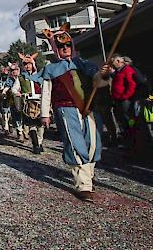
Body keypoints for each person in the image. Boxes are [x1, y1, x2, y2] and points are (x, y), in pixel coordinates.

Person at [39, 23, 109, 202]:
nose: (65, 49)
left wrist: (104, 75)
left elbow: (99, 83)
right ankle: (83, 184)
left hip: (88, 108)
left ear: (72, 46)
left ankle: (88, 175)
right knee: (75, 143)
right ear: (56, 49)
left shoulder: (84, 64)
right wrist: (45, 114)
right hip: (65, 109)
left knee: (93, 144)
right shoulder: (51, 68)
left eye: (67, 45)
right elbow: (46, 92)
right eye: (61, 46)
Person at [17, 52, 45, 154]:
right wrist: (19, 93)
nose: (27, 66)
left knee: (41, 125)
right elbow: (15, 89)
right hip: (28, 102)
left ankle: (40, 142)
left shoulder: (40, 75)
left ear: (33, 63)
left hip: (40, 101)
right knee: (31, 124)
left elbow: (45, 87)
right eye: (25, 64)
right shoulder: (21, 77)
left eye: (29, 63)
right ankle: (35, 144)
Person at [109, 54, 138, 143]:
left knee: (129, 118)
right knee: (122, 119)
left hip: (125, 100)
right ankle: (127, 137)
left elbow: (132, 84)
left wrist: (125, 96)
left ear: (118, 61)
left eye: (112, 62)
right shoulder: (118, 71)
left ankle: (133, 134)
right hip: (118, 99)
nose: (112, 64)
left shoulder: (127, 70)